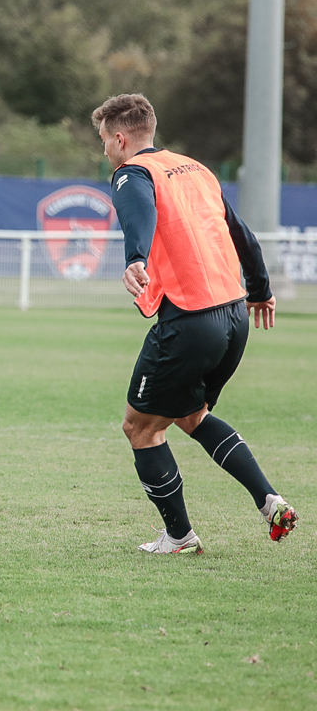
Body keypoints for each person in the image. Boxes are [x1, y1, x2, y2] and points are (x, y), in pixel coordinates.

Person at [93, 93, 297, 554]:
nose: (105, 150)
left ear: (121, 138)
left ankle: (180, 537)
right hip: (234, 315)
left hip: (190, 320)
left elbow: (139, 211)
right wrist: (261, 288)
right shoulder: (193, 168)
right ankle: (270, 501)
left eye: (105, 141)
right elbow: (239, 231)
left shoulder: (131, 173)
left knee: (140, 428)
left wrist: (136, 257)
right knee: (190, 414)